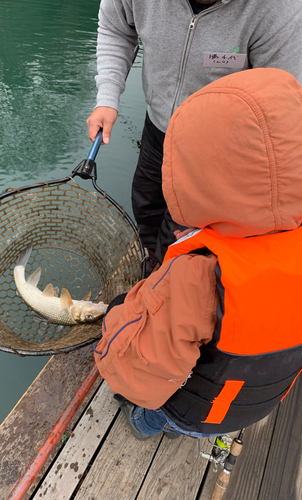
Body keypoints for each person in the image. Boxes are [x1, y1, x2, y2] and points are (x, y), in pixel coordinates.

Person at [94, 68, 302, 440]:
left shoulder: (196, 277)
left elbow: (136, 373)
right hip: (261, 401)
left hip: (199, 414)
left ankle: (157, 426)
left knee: (149, 412)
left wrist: (120, 314)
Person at [87, 0, 302, 271]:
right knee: (146, 205)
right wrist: (107, 96)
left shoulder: (279, 9)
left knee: (184, 235)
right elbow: (116, 27)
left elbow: (277, 98)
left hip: (221, 150)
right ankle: (151, 262)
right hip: (158, 127)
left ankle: (168, 281)